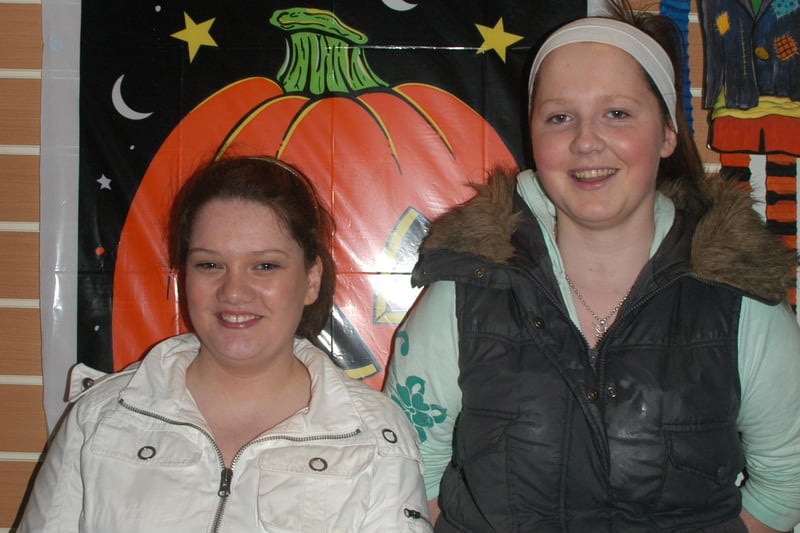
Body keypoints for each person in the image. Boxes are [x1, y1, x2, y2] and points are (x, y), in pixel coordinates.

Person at [383, 1, 800, 531]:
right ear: (534, 138)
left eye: (617, 113)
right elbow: (404, 477)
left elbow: (789, 479)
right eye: (560, 117)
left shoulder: (740, 296)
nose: (585, 141)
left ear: (668, 133)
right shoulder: (464, 292)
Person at [20, 155, 431, 532]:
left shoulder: (376, 437)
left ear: (310, 280)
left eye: (265, 265)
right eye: (210, 264)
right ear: (184, 276)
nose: (233, 291)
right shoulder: (101, 420)